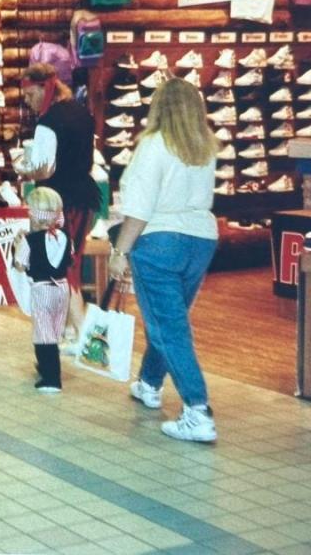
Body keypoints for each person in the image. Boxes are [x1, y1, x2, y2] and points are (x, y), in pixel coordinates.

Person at [109, 78, 218, 443]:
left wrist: (119, 251)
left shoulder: (153, 145)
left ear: (160, 106)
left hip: (159, 240)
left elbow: (138, 210)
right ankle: (149, 382)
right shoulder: (205, 146)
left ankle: (197, 410)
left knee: (168, 326)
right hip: (201, 239)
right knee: (168, 316)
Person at [16, 62, 100, 348]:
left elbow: (46, 169)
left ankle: (86, 338)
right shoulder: (82, 112)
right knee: (67, 262)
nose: (28, 101)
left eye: (30, 94)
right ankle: (67, 331)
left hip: (59, 203)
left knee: (64, 269)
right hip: (85, 196)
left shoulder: (48, 122)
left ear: (44, 87)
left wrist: (25, 169)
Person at [12, 186, 73, 393]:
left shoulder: (29, 240)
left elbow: (20, 265)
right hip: (63, 289)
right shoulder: (65, 236)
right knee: (54, 331)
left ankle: (51, 379)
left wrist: (17, 245)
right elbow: (69, 260)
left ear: (34, 216)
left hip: (41, 290)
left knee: (43, 332)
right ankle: (45, 365)